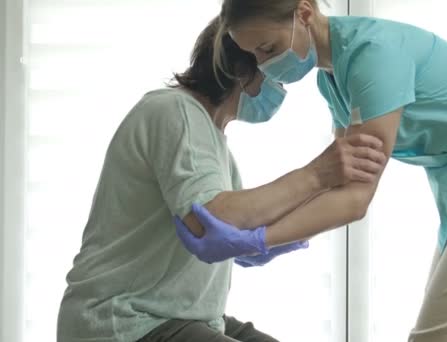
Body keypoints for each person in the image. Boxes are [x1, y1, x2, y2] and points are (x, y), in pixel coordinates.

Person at [173, 1, 447, 341]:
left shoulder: (372, 56)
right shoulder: (334, 78)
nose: (265, 65)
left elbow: (356, 198)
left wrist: (259, 239)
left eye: (267, 48)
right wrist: (264, 234)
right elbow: (341, 178)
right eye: (256, 55)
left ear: (304, 13)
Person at [56, 16, 386, 342]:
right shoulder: (174, 111)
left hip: (178, 315)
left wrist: (329, 188)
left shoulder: (215, 144)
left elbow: (238, 227)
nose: (280, 89)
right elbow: (212, 219)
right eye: (274, 74)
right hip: (124, 319)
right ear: (240, 70)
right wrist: (318, 173)